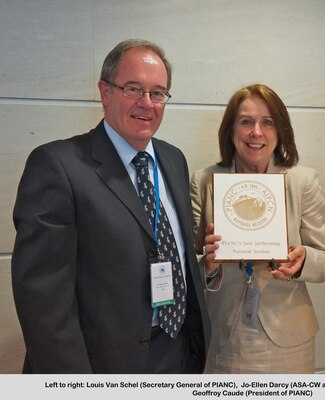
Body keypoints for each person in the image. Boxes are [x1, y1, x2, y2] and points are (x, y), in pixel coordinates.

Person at [11, 39, 210, 373]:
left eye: (158, 93)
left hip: (175, 353)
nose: (147, 103)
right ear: (105, 92)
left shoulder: (173, 159)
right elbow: (43, 302)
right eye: (133, 89)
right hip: (100, 365)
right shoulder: (58, 166)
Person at [190, 83, 325, 373]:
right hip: (224, 338)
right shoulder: (205, 181)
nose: (256, 132)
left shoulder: (302, 180)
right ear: (230, 131)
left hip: (289, 340)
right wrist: (206, 264)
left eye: (267, 122)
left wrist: (301, 259)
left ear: (280, 131)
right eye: (246, 122)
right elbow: (187, 266)